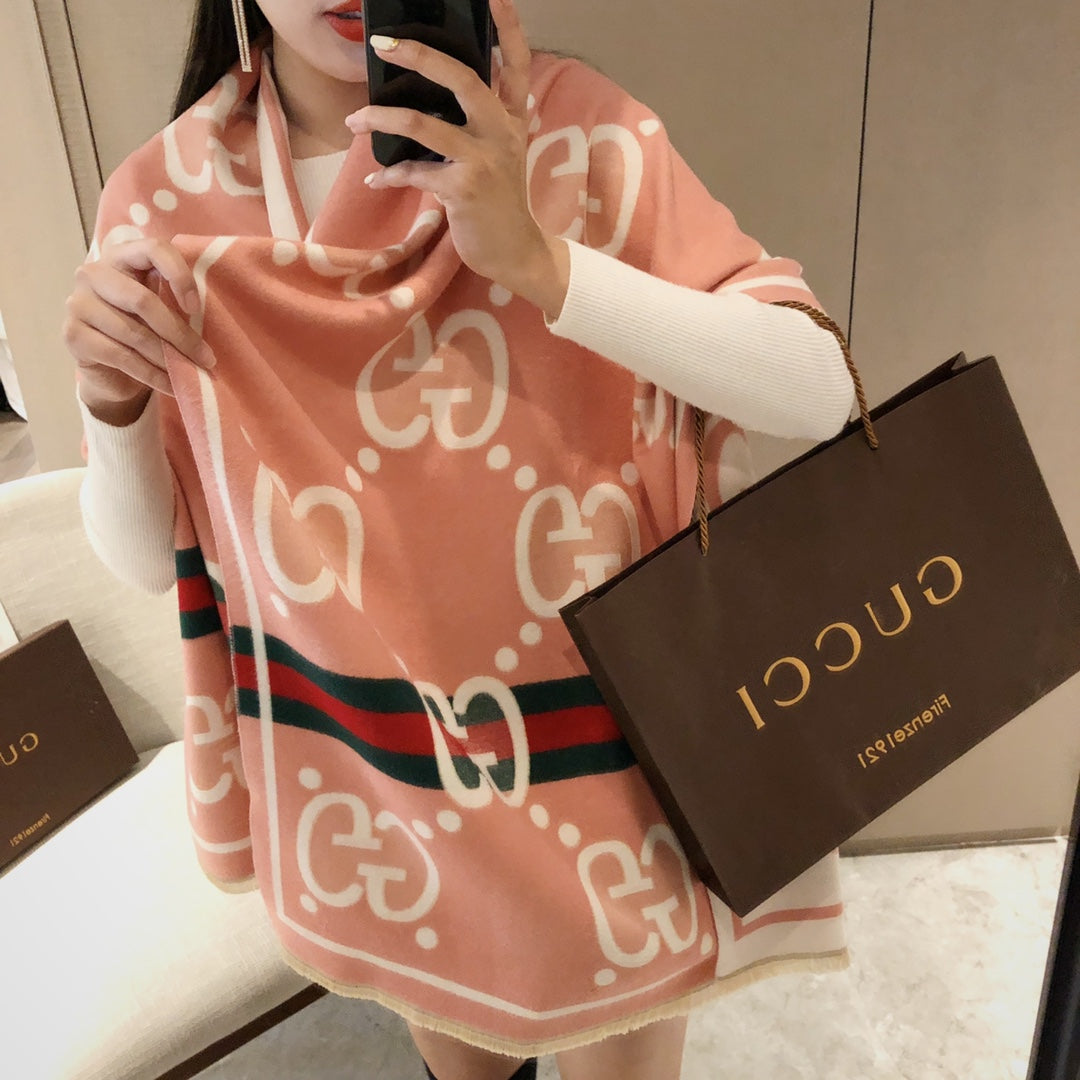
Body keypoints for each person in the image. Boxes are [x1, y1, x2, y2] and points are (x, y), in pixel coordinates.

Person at [64, 1, 857, 1077]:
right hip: (379, 775)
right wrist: (111, 405)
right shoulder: (168, 198)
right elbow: (146, 564)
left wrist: (540, 261)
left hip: (609, 766)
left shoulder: (574, 131)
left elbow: (816, 388)